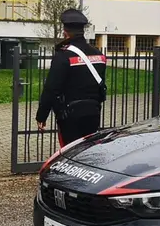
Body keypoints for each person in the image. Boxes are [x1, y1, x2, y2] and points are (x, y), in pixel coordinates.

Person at [35, 9, 107, 147]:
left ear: (65, 32)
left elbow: (51, 89)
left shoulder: (63, 56)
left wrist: (42, 116)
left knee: (70, 151)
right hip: (93, 112)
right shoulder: (99, 55)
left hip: (69, 115)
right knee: (88, 150)